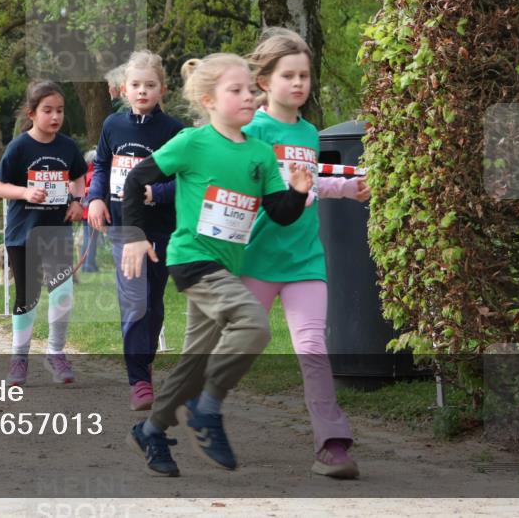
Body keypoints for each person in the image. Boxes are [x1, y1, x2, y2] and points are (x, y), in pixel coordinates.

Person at [121, 53, 311, 477]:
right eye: (236, 90)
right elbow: (137, 180)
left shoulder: (261, 154)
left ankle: (151, 430)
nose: (249, 96)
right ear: (208, 100)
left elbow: (279, 212)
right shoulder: (193, 142)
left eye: (250, 89)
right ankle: (208, 408)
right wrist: (134, 236)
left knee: (194, 361)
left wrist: (297, 192)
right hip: (191, 260)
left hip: (227, 266)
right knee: (253, 325)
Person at [241, 28, 370, 479]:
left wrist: (348, 188)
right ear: (264, 82)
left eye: (305, 76)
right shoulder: (250, 131)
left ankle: (332, 446)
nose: (299, 84)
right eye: (288, 75)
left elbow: (309, 181)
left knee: (313, 347)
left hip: (303, 260)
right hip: (255, 259)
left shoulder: (311, 133)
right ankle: (189, 415)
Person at [87, 50, 184, 411]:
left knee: (153, 303)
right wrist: (95, 198)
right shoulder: (113, 126)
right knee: (134, 301)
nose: (142, 91)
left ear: (163, 89)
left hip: (160, 230)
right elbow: (100, 166)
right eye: (135, 85)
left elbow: (184, 183)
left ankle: (144, 363)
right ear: (123, 89)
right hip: (123, 227)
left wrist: (154, 192)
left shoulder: (174, 132)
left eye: (150, 85)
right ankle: (139, 380)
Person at [0, 80, 87, 387]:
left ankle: (56, 353)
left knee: (62, 294)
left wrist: (77, 202)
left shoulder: (68, 147)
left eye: (59, 110)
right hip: (24, 234)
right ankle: (19, 359)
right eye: (48, 110)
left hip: (57, 232)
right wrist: (24, 192)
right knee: (28, 297)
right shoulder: (20, 147)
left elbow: (79, 177)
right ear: (32, 113)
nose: (55, 116)